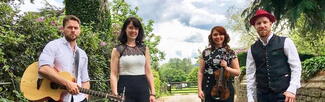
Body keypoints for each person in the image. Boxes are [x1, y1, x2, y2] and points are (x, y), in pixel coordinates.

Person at [246, 9, 302, 102]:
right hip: (262, 97)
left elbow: (296, 67)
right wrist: (251, 98)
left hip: (284, 95)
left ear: (270, 23)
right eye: (258, 23)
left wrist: (292, 89)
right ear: (255, 26)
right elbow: (250, 76)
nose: (262, 25)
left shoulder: (286, 42)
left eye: (265, 22)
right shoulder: (252, 49)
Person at [38, 15, 90, 102]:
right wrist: (67, 83)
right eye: (70, 27)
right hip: (57, 98)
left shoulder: (82, 54)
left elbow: (85, 80)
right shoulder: (53, 45)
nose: (73, 30)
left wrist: (85, 97)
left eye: (76, 28)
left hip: (79, 99)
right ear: (63, 29)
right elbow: (43, 69)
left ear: (79, 30)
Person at [110, 17, 156, 102]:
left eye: (136, 28)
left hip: (143, 90)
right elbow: (113, 74)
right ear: (125, 29)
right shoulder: (117, 50)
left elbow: (148, 72)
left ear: (139, 30)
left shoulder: (144, 49)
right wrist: (115, 93)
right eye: (130, 28)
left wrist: (153, 93)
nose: (133, 31)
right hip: (124, 90)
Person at [198, 26, 241, 102]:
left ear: (225, 36)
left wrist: (227, 67)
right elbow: (200, 72)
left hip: (226, 90)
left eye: (221, 34)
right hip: (208, 87)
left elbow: (237, 72)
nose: (218, 37)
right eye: (215, 34)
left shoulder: (230, 52)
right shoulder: (206, 52)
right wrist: (199, 89)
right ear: (211, 37)